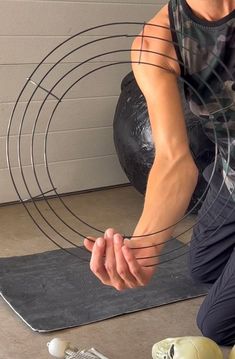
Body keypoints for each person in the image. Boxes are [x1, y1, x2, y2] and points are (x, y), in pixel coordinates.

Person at [84, 0, 235, 346]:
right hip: (230, 173)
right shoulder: (158, 42)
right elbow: (173, 159)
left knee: (217, 325)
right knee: (203, 268)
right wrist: (144, 246)